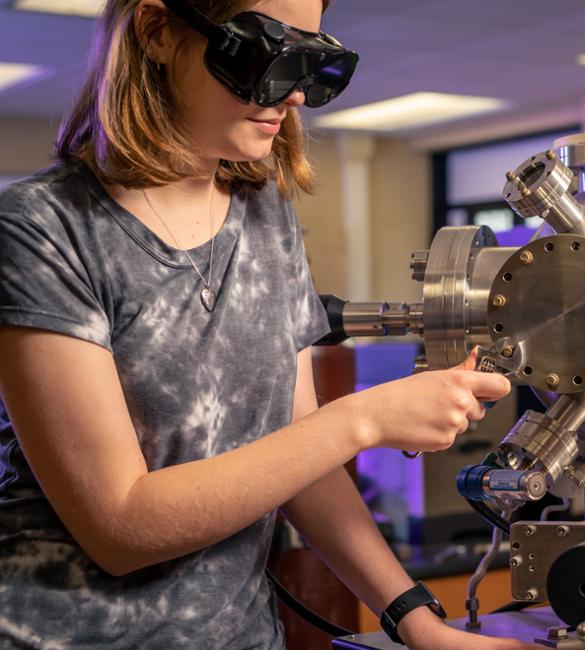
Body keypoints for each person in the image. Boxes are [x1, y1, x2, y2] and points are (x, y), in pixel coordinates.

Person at [0, 1, 529, 648]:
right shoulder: (39, 231)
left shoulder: (265, 216)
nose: (297, 92)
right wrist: (361, 420)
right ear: (156, 30)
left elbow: (301, 457)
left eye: (307, 59)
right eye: (264, 51)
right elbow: (119, 527)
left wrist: (420, 623)